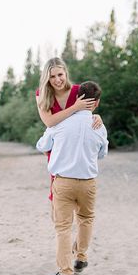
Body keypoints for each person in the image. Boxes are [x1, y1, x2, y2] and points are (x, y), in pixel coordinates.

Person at [36, 81, 108, 275]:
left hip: (64, 182)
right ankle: (82, 256)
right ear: (97, 103)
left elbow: (41, 145)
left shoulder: (60, 124)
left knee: (63, 227)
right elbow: (102, 154)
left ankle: (65, 271)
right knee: (86, 219)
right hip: (88, 182)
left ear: (77, 98)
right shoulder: (99, 126)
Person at [36, 57, 103, 199]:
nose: (57, 80)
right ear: (47, 78)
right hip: (57, 147)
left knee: (80, 192)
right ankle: (60, 222)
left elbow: (88, 113)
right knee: (57, 193)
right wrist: (75, 107)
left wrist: (97, 117)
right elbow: (49, 122)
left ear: (65, 73)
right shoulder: (42, 94)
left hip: (77, 147)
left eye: (60, 75)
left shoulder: (79, 90)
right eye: (52, 76)